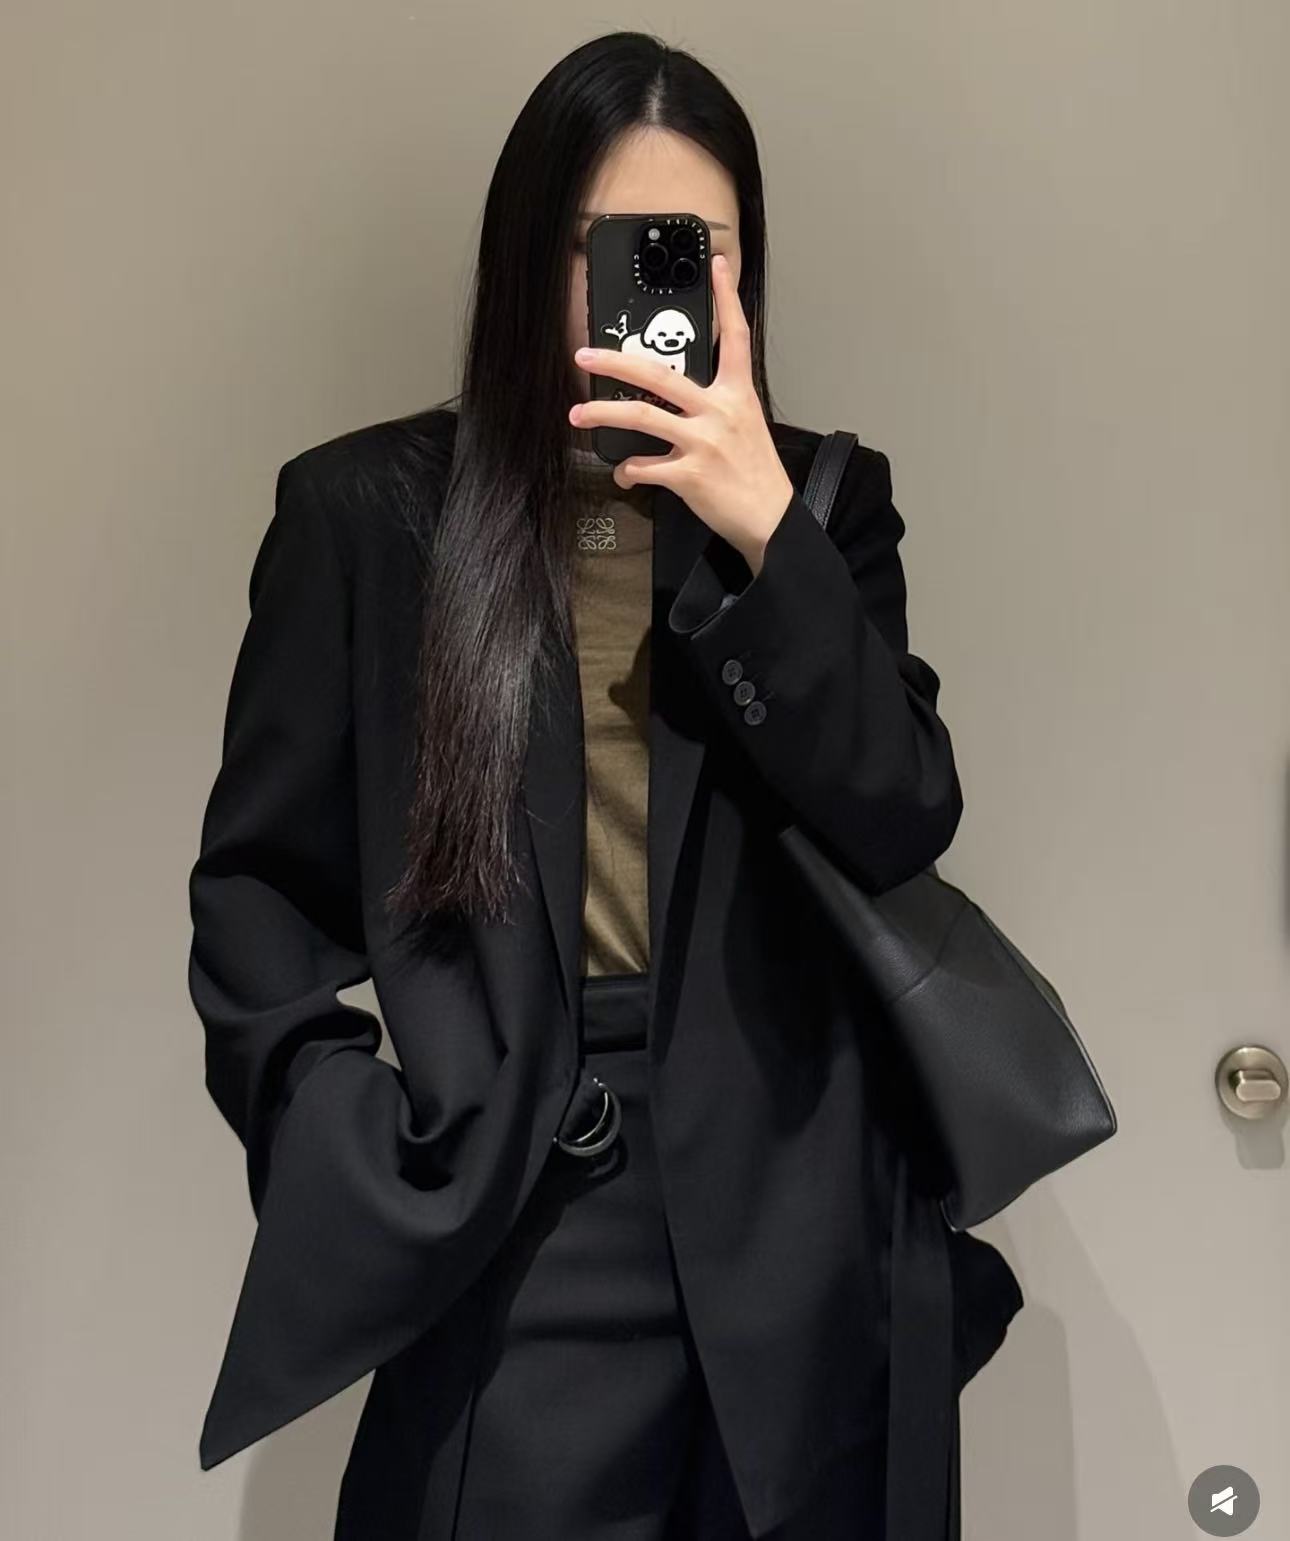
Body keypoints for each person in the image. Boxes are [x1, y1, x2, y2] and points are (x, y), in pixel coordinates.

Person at [187, 29, 1023, 1541]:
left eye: (693, 251)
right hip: (519, 1211)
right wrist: (360, 1138)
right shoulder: (367, 516)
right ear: (528, 255)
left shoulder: (824, 504)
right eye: (606, 248)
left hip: (799, 1220)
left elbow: (902, 813)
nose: (647, 290)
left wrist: (767, 534)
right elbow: (257, 896)